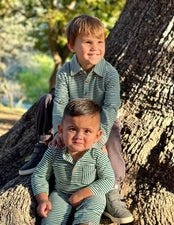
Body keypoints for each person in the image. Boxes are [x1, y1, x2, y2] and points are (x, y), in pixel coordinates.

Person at [21, 14, 133, 224]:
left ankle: (112, 192)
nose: (95, 47)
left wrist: (100, 138)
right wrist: (58, 132)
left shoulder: (110, 74)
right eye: (88, 42)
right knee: (47, 100)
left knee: (114, 133)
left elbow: (110, 107)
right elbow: (61, 103)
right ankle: (44, 144)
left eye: (100, 42)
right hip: (72, 120)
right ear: (72, 46)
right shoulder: (65, 72)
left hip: (98, 122)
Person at [31, 98, 115, 225]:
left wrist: (82, 194)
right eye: (72, 129)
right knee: (50, 217)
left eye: (87, 131)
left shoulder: (97, 153)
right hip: (61, 194)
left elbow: (108, 179)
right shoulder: (54, 151)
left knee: (97, 201)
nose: (78, 136)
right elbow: (39, 175)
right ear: (60, 130)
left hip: (89, 194)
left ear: (97, 136)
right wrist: (42, 199)